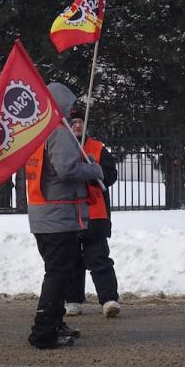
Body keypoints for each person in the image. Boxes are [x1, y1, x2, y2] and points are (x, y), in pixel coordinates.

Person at [23, 83, 103, 349]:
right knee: (58, 274)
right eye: (70, 105)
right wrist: (93, 170)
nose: (73, 110)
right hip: (58, 215)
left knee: (60, 272)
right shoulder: (59, 132)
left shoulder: (37, 132)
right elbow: (67, 170)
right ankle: (44, 332)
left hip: (44, 215)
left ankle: (55, 323)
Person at [64, 112, 121, 318]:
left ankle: (108, 299)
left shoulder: (98, 148)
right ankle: (72, 300)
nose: (77, 126)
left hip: (95, 213)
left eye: (80, 122)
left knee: (98, 258)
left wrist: (93, 173)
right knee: (71, 260)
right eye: (73, 123)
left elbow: (111, 175)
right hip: (69, 214)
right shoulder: (60, 148)